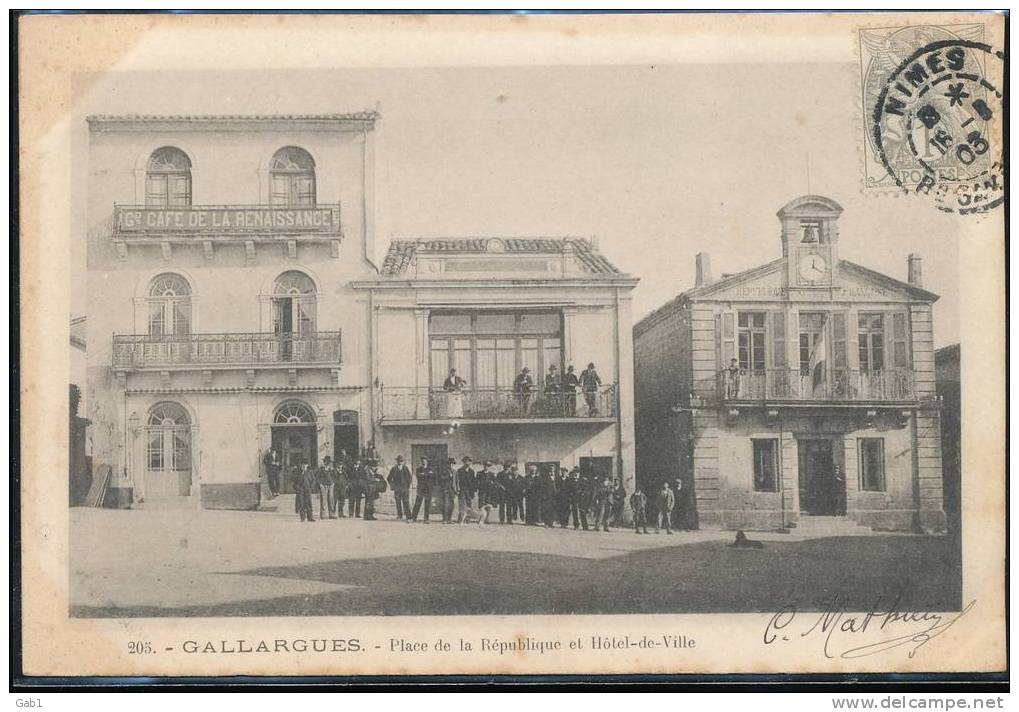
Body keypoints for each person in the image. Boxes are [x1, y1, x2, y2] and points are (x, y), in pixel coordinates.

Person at [387, 455, 413, 521]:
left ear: (403, 461)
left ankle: (408, 516)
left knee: (406, 502)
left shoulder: (405, 468)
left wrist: (407, 485)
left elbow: (410, 478)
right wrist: (393, 486)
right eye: (399, 461)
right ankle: (399, 515)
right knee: (398, 502)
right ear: (397, 461)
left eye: (401, 461)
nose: (400, 462)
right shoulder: (394, 468)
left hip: (404, 488)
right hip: (397, 488)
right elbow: (389, 478)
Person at [411, 457, 434, 523]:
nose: (424, 462)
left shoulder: (430, 469)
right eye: (422, 461)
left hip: (428, 489)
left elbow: (433, 477)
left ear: (427, 462)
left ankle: (426, 519)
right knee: (417, 503)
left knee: (427, 504)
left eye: (425, 461)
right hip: (421, 489)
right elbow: (418, 476)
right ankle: (413, 518)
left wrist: (424, 474)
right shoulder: (419, 469)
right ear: (421, 462)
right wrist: (428, 474)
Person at [455, 457, 476, 523]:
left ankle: (468, 519)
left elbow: (473, 482)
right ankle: (460, 518)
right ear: (463, 462)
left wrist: (473, 491)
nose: (468, 463)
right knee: (461, 504)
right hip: (462, 490)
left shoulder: (472, 471)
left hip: (469, 490)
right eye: (466, 462)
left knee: (469, 504)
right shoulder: (459, 471)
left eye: (469, 462)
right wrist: (458, 490)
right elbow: (458, 481)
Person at [438, 458, 457, 524]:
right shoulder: (444, 471)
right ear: (447, 464)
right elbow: (441, 479)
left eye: (452, 464)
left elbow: (457, 481)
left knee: (452, 505)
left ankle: (450, 519)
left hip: (452, 490)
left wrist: (457, 489)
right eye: (449, 464)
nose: (451, 465)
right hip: (445, 490)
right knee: (445, 504)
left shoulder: (455, 471)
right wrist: (448, 476)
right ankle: (444, 519)